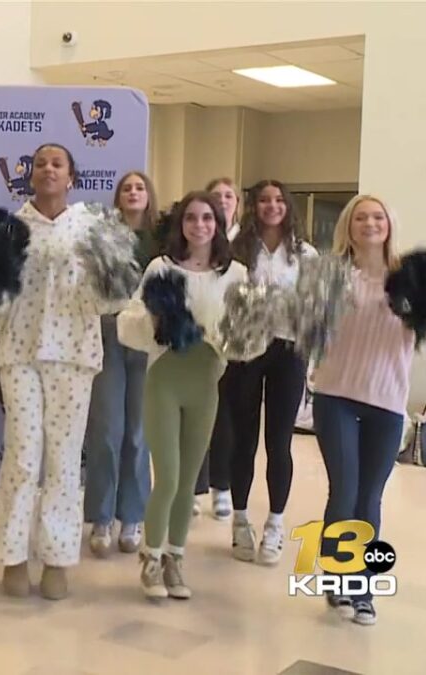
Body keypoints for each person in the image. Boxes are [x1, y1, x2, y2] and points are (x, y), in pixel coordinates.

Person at [0, 143, 121, 600]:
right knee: (22, 455)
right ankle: (12, 555)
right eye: (40, 164)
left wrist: (98, 280)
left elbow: (112, 298)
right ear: (30, 175)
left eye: (57, 164)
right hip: (20, 351)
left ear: (71, 177)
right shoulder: (8, 228)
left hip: (73, 354)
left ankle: (57, 558)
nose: (48, 169)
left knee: (64, 461)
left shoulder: (92, 228)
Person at [117, 191, 250, 600]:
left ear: (218, 224)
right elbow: (131, 320)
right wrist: (157, 321)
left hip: (206, 381)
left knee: (189, 480)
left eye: (207, 218)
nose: (199, 225)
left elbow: (245, 334)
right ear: (181, 225)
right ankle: (151, 557)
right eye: (191, 218)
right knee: (169, 477)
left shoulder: (236, 273)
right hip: (164, 379)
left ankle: (175, 557)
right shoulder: (162, 267)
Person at [312, 195, 413, 627]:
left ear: (389, 225)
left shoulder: (411, 279)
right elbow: (308, 325)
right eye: (360, 218)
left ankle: (362, 589)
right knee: (345, 491)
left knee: (370, 497)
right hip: (335, 394)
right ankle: (342, 580)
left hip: (388, 400)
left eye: (377, 217)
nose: (370, 224)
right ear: (348, 227)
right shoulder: (332, 275)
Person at [228, 180, 316, 566]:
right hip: (245, 350)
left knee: (279, 442)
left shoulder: (305, 253)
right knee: (243, 439)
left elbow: (314, 306)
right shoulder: (236, 247)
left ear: (288, 206)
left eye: (279, 200)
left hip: (288, 350)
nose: (272, 206)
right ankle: (240, 521)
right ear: (254, 206)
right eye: (264, 200)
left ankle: (275, 525)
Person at [84, 171, 160, 558]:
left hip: (146, 338)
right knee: (106, 429)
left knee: (138, 433)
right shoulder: (102, 236)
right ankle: (101, 516)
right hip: (108, 333)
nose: (133, 193)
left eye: (139, 187)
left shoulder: (162, 240)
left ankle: (132, 516)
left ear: (149, 196)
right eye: (127, 188)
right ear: (118, 197)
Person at [194, 176, 245, 519]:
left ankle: (221, 485)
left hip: (233, 344)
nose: (223, 200)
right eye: (216, 195)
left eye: (229, 195)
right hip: (196, 343)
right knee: (194, 416)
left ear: (237, 204)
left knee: (225, 416)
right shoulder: (197, 237)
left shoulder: (245, 244)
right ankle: (194, 486)